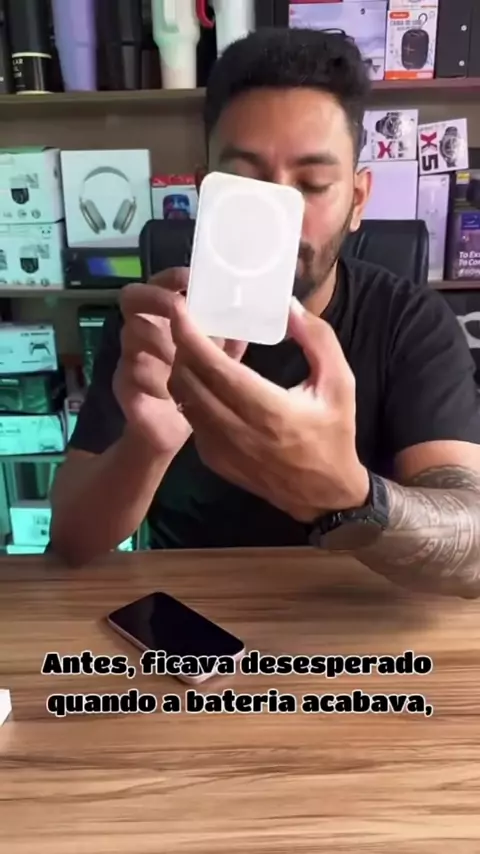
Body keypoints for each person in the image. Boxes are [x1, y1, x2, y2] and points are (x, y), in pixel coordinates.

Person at [50, 28, 480, 597]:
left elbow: (473, 544)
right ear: (205, 193)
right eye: (246, 183)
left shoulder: (410, 323)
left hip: (360, 614)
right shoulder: (155, 325)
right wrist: (146, 445)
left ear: (357, 201)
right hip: (190, 613)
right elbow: (70, 542)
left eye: (313, 184)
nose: (280, 217)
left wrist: (349, 495)